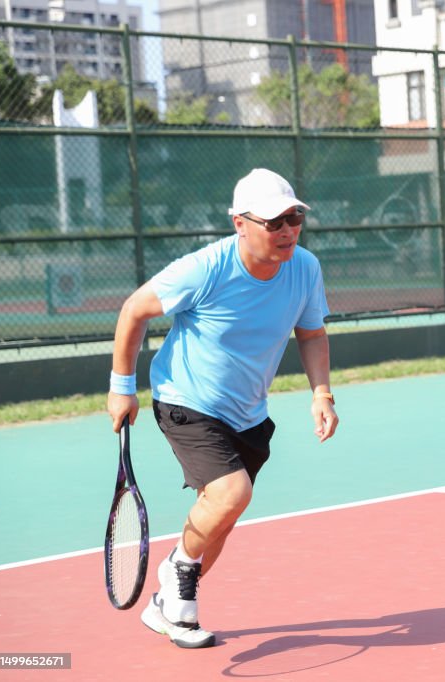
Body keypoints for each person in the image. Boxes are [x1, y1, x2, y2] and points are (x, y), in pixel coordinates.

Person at [106, 168, 339, 649]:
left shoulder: (305, 268)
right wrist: (121, 387)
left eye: (294, 217)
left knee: (222, 519)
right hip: (185, 399)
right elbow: (134, 309)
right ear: (240, 224)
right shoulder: (206, 269)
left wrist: (322, 394)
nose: (288, 230)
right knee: (233, 493)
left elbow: (312, 333)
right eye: (274, 222)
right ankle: (177, 573)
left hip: (248, 412)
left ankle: (165, 606)